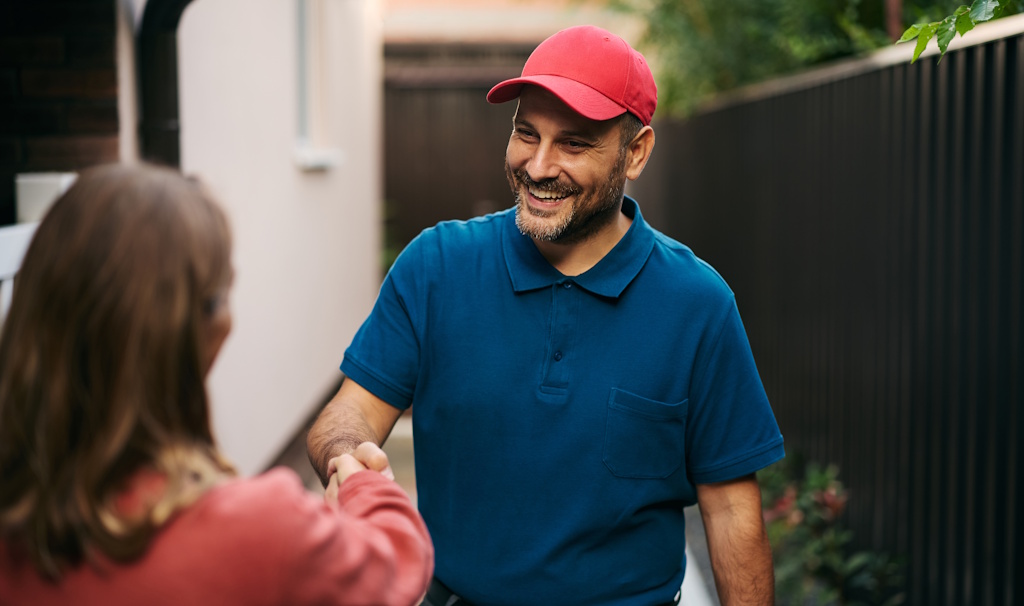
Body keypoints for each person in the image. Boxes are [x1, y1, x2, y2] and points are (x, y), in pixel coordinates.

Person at [307, 24, 784, 606]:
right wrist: (347, 457)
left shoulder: (697, 304)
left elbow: (732, 509)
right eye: (525, 134)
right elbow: (349, 412)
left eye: (574, 144)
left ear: (635, 152)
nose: (537, 166)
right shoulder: (436, 267)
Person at [0, 163, 433, 606]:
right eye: (223, 292)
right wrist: (367, 487)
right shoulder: (260, 530)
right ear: (198, 331)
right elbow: (397, 563)